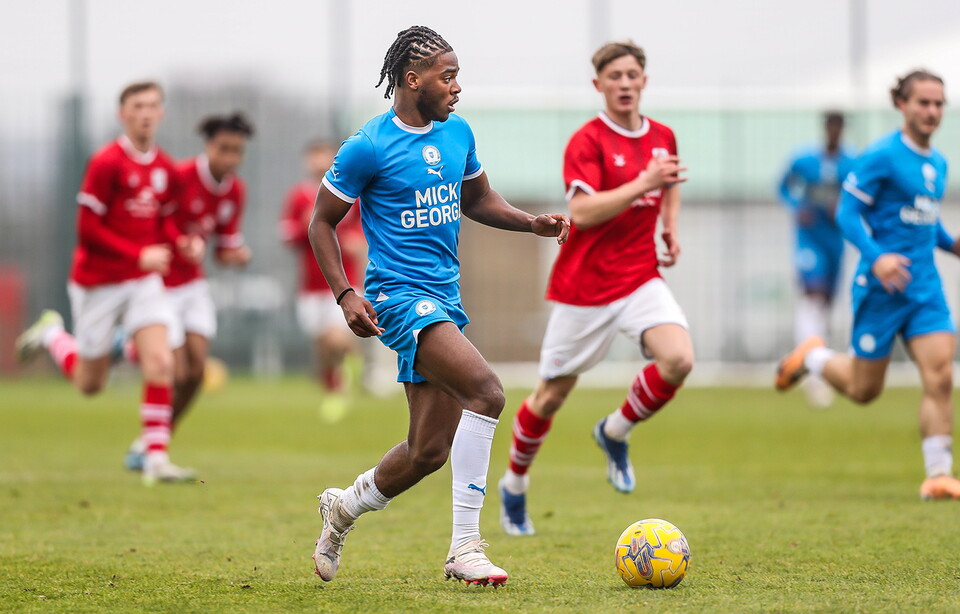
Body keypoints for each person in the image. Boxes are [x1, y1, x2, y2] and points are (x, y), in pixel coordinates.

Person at [307, 25, 570, 586]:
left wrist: (531, 223)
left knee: (427, 451)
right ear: (412, 80)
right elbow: (321, 223)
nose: (457, 87)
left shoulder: (458, 133)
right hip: (398, 299)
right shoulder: (368, 146)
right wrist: (346, 293)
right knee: (487, 392)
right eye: (447, 77)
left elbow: (478, 198)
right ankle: (465, 548)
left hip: (445, 298)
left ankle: (342, 509)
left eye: (457, 77)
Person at [495, 41, 690, 537]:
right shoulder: (587, 141)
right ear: (598, 84)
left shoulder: (663, 136)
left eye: (632, 75)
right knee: (549, 397)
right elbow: (581, 212)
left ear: (644, 81)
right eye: (614, 76)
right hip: (584, 287)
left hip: (640, 276)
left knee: (678, 359)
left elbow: (668, 184)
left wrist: (669, 227)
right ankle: (514, 483)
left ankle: (614, 431)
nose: (624, 84)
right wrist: (643, 183)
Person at [776, 69, 960, 500]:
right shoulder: (881, 155)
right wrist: (877, 258)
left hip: (925, 289)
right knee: (864, 390)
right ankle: (813, 356)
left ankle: (938, 474)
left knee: (940, 376)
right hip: (881, 288)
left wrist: (952, 245)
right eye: (923, 102)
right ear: (902, 104)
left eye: (939, 103)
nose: (932, 111)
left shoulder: (938, 163)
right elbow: (846, 213)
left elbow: (924, 221)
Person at [16, 81, 203, 485]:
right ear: (123, 114)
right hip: (98, 283)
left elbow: (164, 223)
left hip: (143, 282)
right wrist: (137, 254)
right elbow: (87, 230)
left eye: (152, 106)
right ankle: (52, 334)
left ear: (161, 113)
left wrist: (182, 244)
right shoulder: (106, 162)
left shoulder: (165, 168)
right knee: (90, 383)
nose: (146, 113)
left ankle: (156, 461)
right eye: (138, 106)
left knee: (161, 362)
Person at [124, 112, 254, 470]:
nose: (230, 157)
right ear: (208, 146)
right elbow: (153, 219)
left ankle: (150, 442)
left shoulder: (235, 191)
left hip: (193, 285)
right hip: (161, 283)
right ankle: (130, 346)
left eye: (237, 151)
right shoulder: (180, 176)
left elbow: (224, 247)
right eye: (224, 148)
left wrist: (238, 255)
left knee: (195, 375)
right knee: (177, 373)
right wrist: (180, 241)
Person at [279, 141, 365, 421]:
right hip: (311, 285)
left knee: (335, 338)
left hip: (343, 281)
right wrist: (304, 226)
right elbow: (287, 235)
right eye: (313, 158)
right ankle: (333, 390)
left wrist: (358, 240)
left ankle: (350, 371)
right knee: (322, 345)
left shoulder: (349, 194)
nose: (318, 163)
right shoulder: (299, 197)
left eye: (323, 157)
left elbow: (364, 227)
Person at [777, 112, 857, 407]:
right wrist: (798, 206)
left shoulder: (851, 163)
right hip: (809, 239)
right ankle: (810, 367)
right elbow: (784, 186)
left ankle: (814, 356)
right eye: (830, 127)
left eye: (838, 127)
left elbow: (859, 195)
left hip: (834, 241)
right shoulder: (805, 160)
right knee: (813, 294)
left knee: (825, 303)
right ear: (825, 129)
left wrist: (844, 207)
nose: (834, 132)